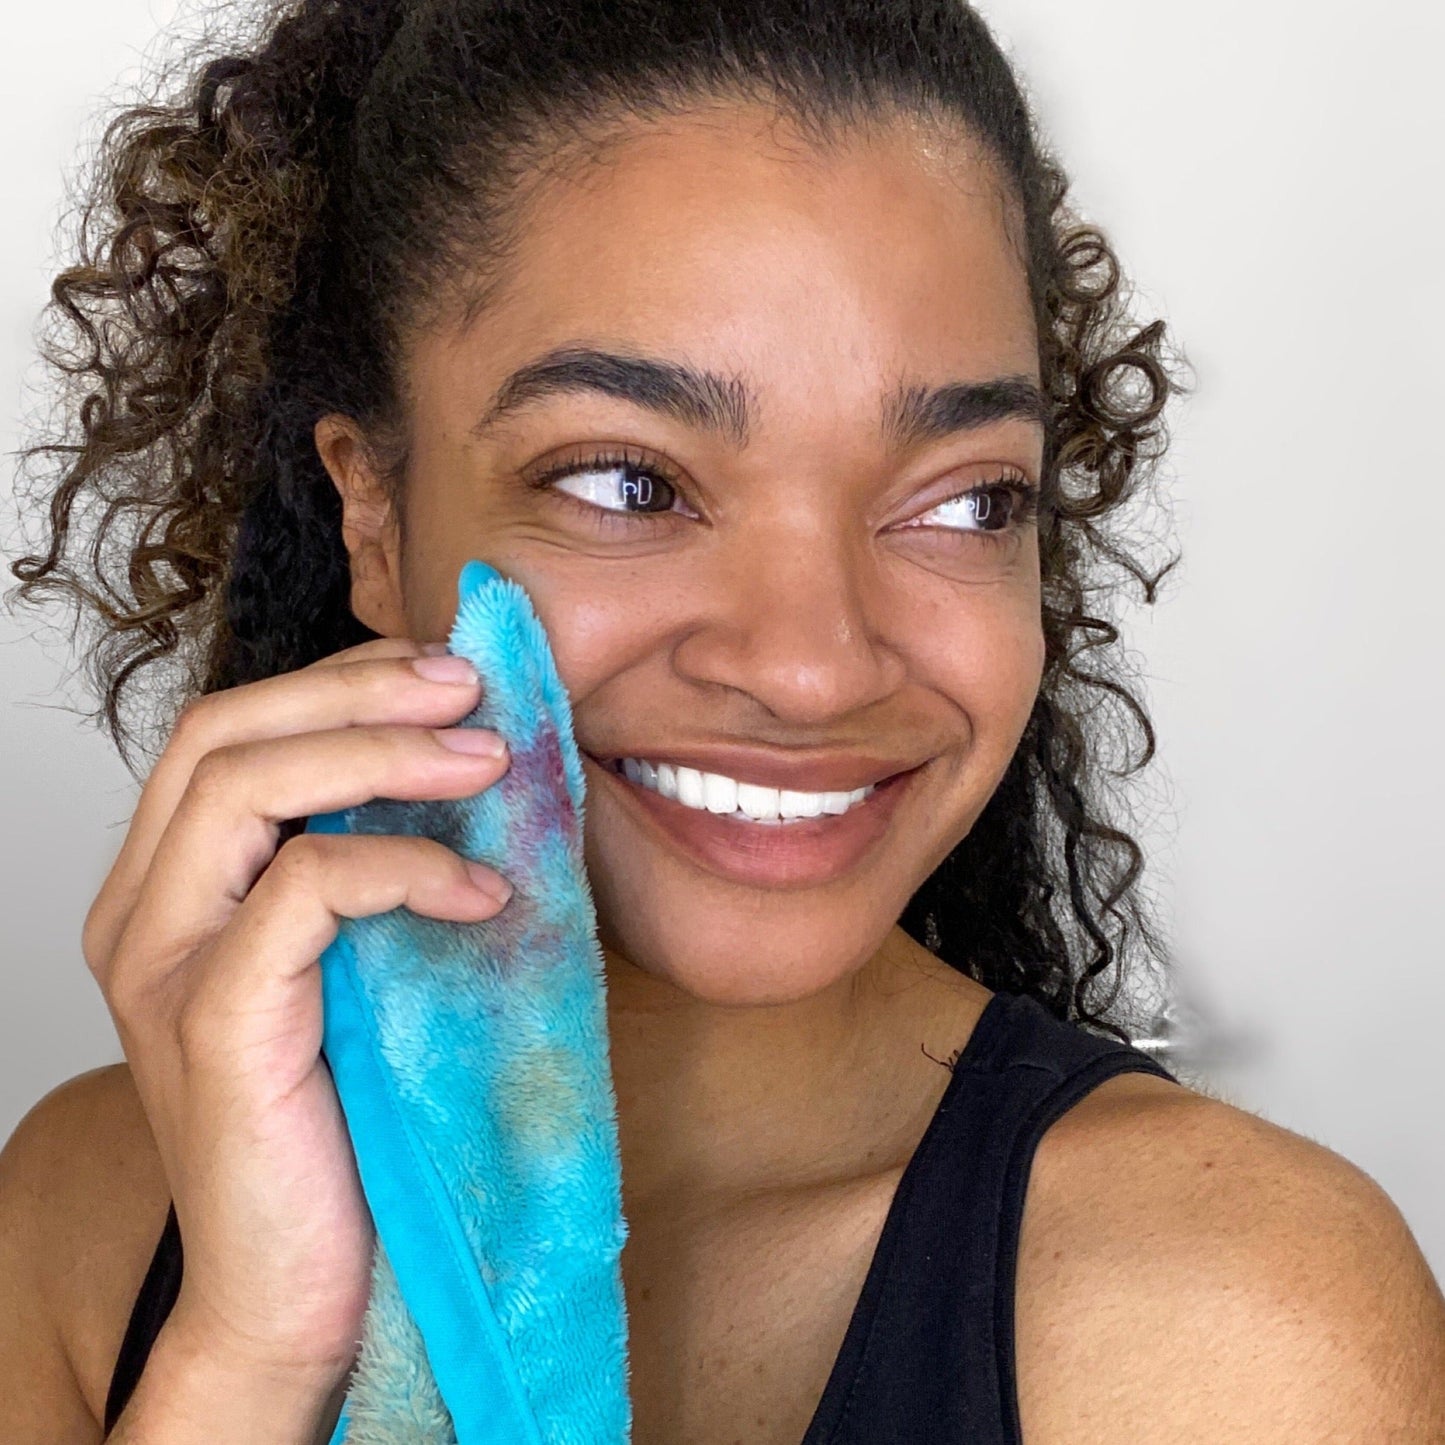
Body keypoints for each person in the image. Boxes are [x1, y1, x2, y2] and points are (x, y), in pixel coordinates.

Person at [2, 0, 1442, 1440]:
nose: (813, 667)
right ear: (371, 513)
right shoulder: (93, 1215)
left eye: (962, 499)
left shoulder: (1230, 1317)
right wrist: (250, 1360)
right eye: (628, 481)